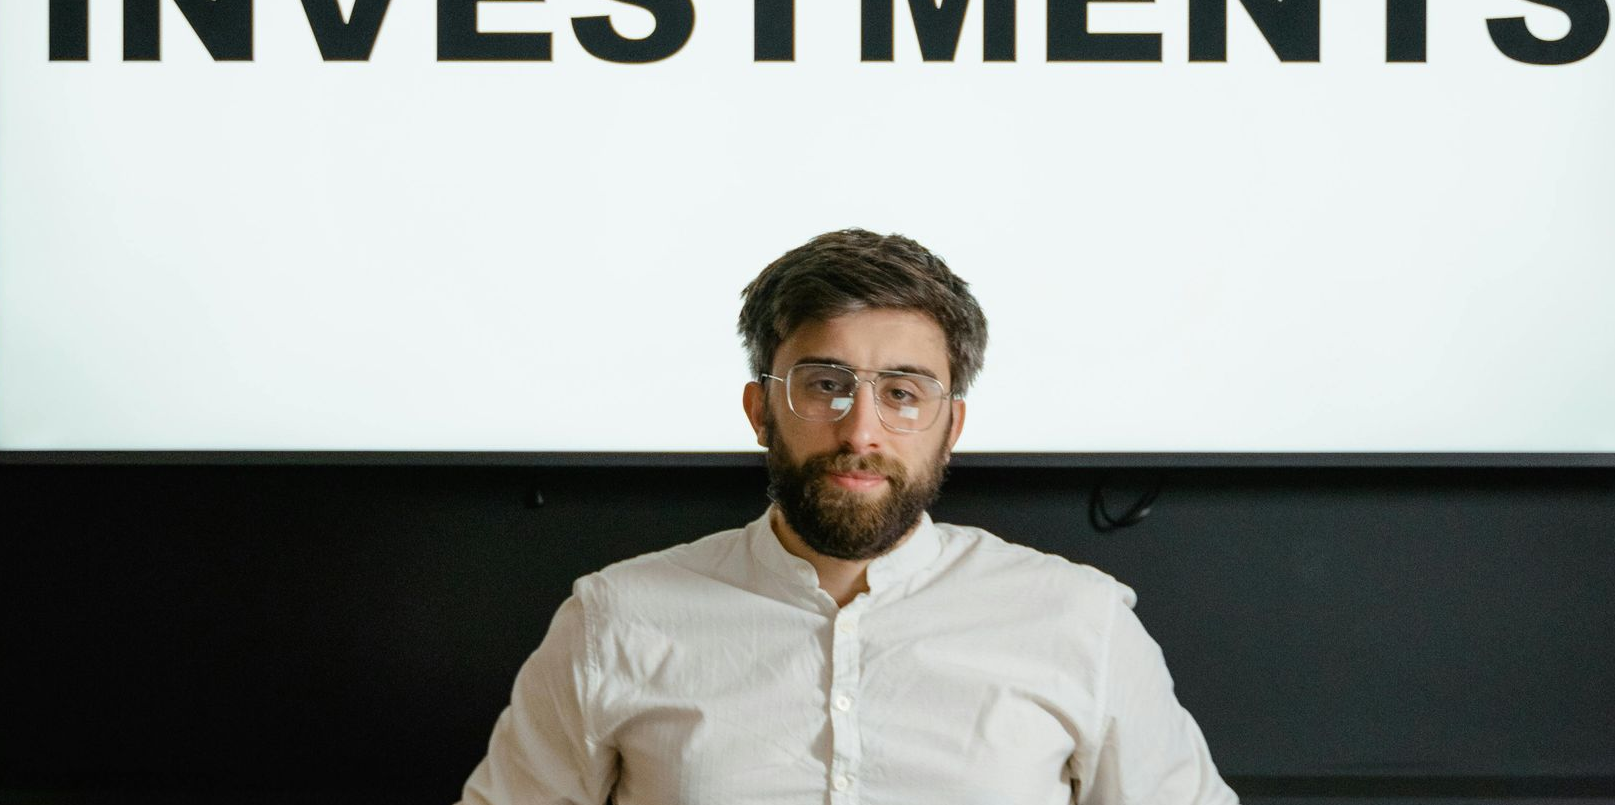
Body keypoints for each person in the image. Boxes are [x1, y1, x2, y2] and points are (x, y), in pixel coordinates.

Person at [458, 228, 1238, 805]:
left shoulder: (1079, 620)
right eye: (825, 385)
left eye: (902, 392)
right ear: (760, 409)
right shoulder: (614, 619)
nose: (860, 431)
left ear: (950, 427)